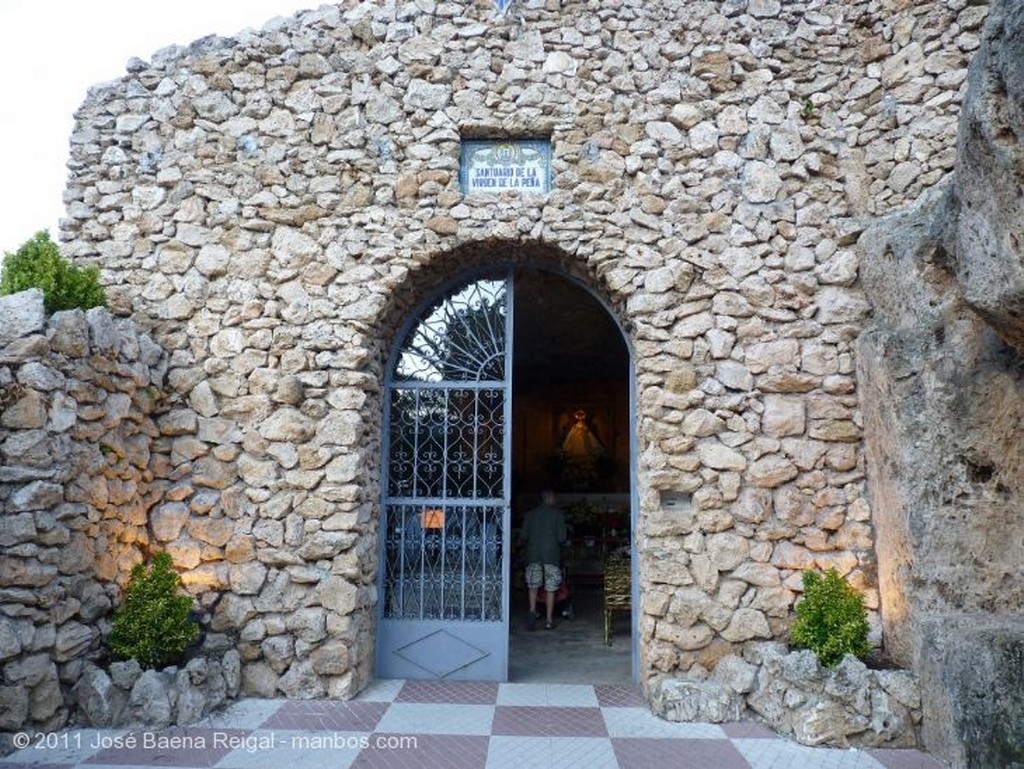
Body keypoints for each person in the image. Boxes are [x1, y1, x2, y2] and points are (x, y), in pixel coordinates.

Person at [519, 490, 567, 630]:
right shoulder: (557, 515)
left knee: (533, 586)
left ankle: (532, 612)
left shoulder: (530, 515)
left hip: (533, 555)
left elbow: (523, 536)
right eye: (554, 498)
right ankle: (549, 620)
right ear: (550, 498)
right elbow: (562, 538)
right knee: (550, 588)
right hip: (551, 556)